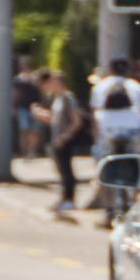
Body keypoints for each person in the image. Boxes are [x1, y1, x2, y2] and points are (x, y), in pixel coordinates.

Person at [88, 58, 140, 211]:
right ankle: (134, 203)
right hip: (132, 131)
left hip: (108, 130)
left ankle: (108, 209)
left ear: (110, 69)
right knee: (138, 167)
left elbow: (94, 114)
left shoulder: (99, 86)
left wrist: (97, 136)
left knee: (102, 168)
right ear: (128, 70)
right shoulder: (137, 86)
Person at [39, 70, 93, 214]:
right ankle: (64, 198)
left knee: (66, 170)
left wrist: (64, 136)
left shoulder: (68, 98)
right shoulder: (58, 99)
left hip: (64, 140)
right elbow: (54, 120)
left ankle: (69, 199)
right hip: (56, 139)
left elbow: (77, 121)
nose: (49, 84)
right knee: (61, 171)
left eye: (53, 81)